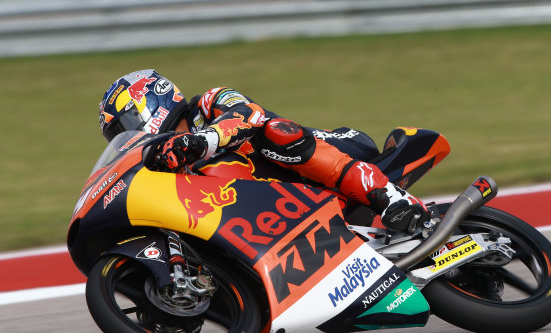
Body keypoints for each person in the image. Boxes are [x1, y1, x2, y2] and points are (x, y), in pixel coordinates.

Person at [98, 69, 430, 232]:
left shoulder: (208, 102)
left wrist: (203, 141)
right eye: (118, 133)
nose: (128, 133)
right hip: (282, 210)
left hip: (335, 150)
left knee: (273, 132)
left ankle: (390, 198)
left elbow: (249, 114)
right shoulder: (170, 165)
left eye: (127, 122)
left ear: (152, 99)